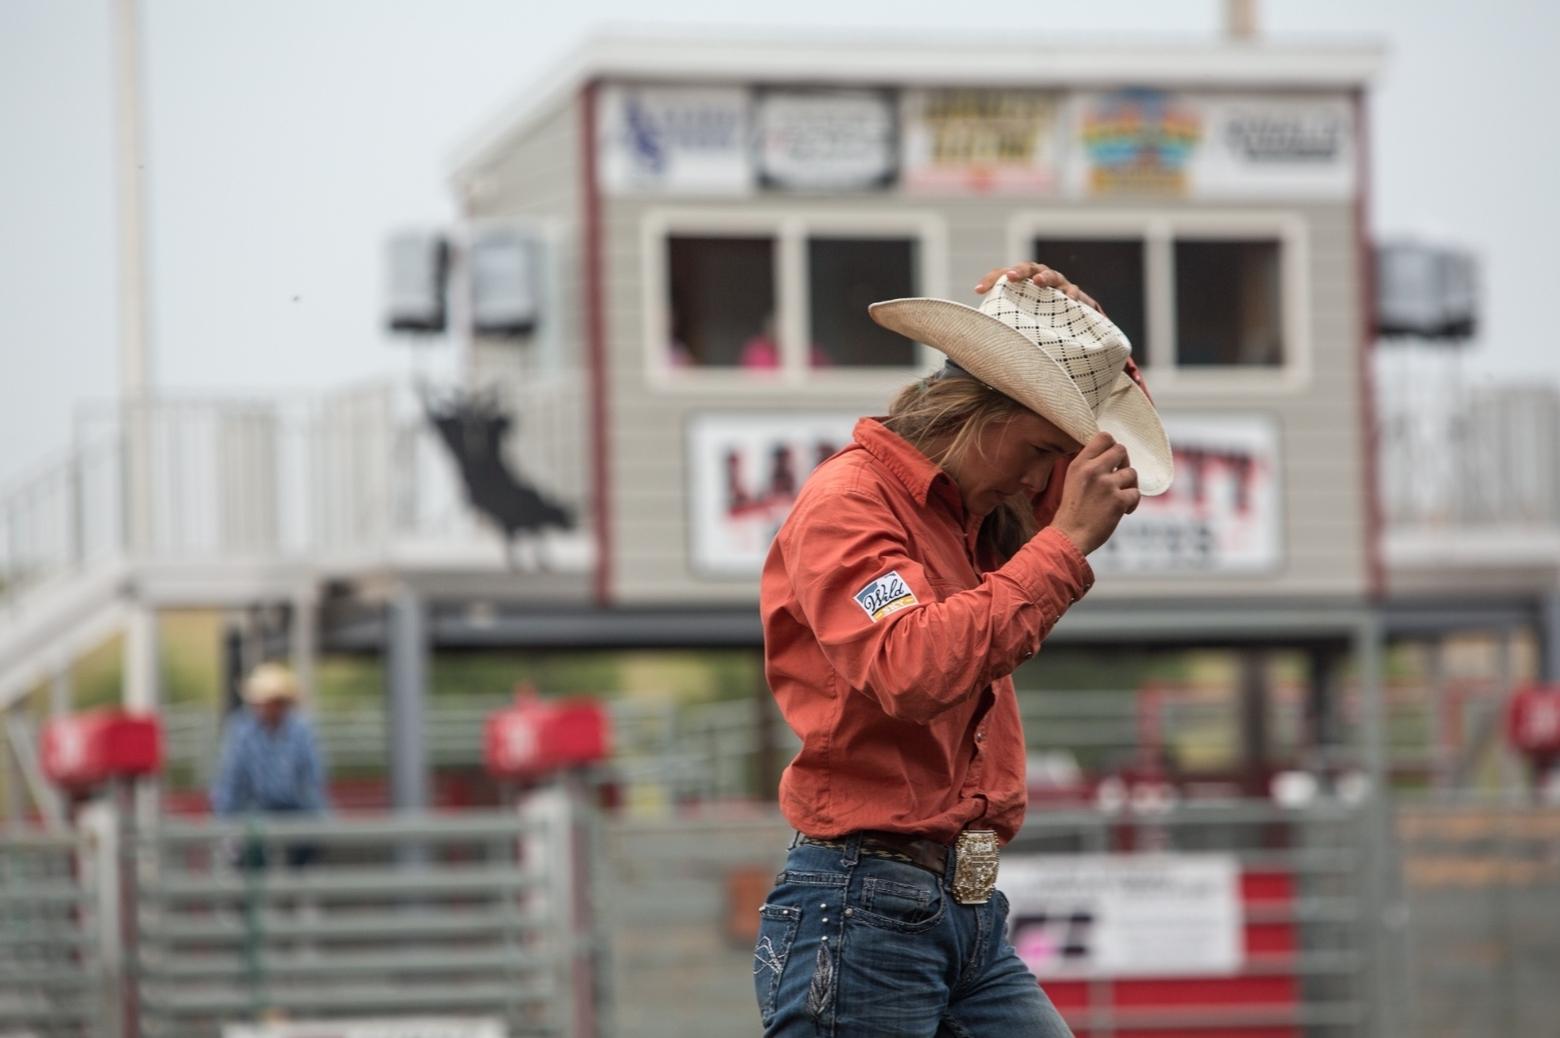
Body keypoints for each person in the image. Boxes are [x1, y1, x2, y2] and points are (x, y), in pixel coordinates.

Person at [753, 261, 1173, 1037]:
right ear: (983, 413)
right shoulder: (850, 505)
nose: (1047, 479)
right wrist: (1068, 543)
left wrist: (1091, 346)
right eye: (1044, 448)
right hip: (866, 904)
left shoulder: (969, 509)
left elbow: (1103, 479)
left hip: (941, 909)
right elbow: (910, 667)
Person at [210, 662, 329, 868]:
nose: (268, 707)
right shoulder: (242, 732)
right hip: (253, 809)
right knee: (248, 854)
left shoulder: (300, 731)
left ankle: (294, 889)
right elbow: (232, 780)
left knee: (307, 846)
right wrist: (226, 819)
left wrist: (318, 816)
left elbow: (311, 779)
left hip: (295, 808)